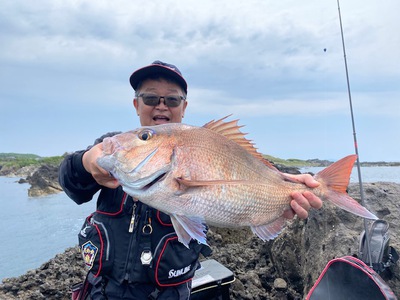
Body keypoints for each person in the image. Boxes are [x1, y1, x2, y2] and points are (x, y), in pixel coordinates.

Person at [59, 60, 323, 300]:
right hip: (103, 290)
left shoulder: (202, 144)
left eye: (172, 100)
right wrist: (86, 161)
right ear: (136, 104)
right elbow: (72, 186)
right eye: (150, 98)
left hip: (170, 294)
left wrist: (284, 191)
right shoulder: (114, 146)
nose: (161, 106)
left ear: (184, 107)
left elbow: (248, 184)